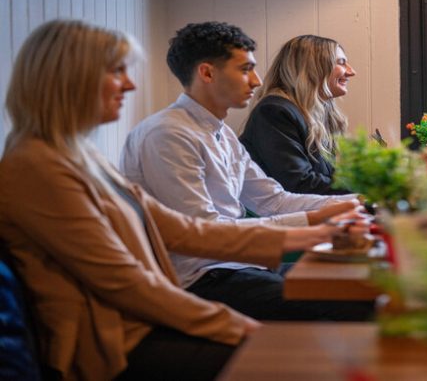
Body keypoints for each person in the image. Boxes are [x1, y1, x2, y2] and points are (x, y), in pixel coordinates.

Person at [0, 19, 353, 380]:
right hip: (116, 345)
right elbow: (127, 284)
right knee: (313, 349)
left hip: (149, 318)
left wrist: (316, 231)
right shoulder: (36, 167)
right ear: (67, 78)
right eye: (116, 71)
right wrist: (239, 327)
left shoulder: (81, 157)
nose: (130, 83)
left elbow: (184, 231)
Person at [120, 22, 369, 322]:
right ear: (207, 73)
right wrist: (316, 222)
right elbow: (204, 235)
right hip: (202, 280)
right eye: (245, 69)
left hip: (241, 267)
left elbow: (273, 200)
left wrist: (358, 202)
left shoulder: (220, 133)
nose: (257, 80)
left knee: (364, 284)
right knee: (356, 301)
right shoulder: (168, 135)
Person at [239, 34, 355, 195]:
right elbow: (298, 183)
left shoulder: (317, 114)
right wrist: (370, 188)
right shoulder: (274, 111)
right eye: (341, 63)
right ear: (313, 67)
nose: (351, 72)